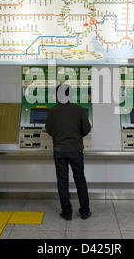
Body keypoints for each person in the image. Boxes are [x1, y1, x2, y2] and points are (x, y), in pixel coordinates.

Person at [45, 83, 92, 221]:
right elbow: (86, 129)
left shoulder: (53, 111)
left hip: (59, 150)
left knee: (62, 181)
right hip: (76, 149)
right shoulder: (79, 109)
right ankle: (84, 212)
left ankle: (67, 213)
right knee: (80, 180)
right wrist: (76, 137)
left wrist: (60, 137)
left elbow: (49, 130)